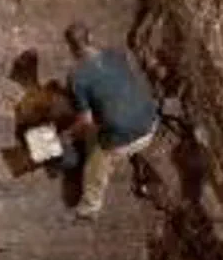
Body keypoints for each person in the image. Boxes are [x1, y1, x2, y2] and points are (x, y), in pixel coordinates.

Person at [58, 22, 159, 220]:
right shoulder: (116, 54)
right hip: (151, 122)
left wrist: (67, 135)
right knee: (108, 119)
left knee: (94, 165)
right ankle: (133, 154)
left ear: (69, 47)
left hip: (127, 137)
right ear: (91, 37)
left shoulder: (77, 77)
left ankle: (89, 209)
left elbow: (85, 122)